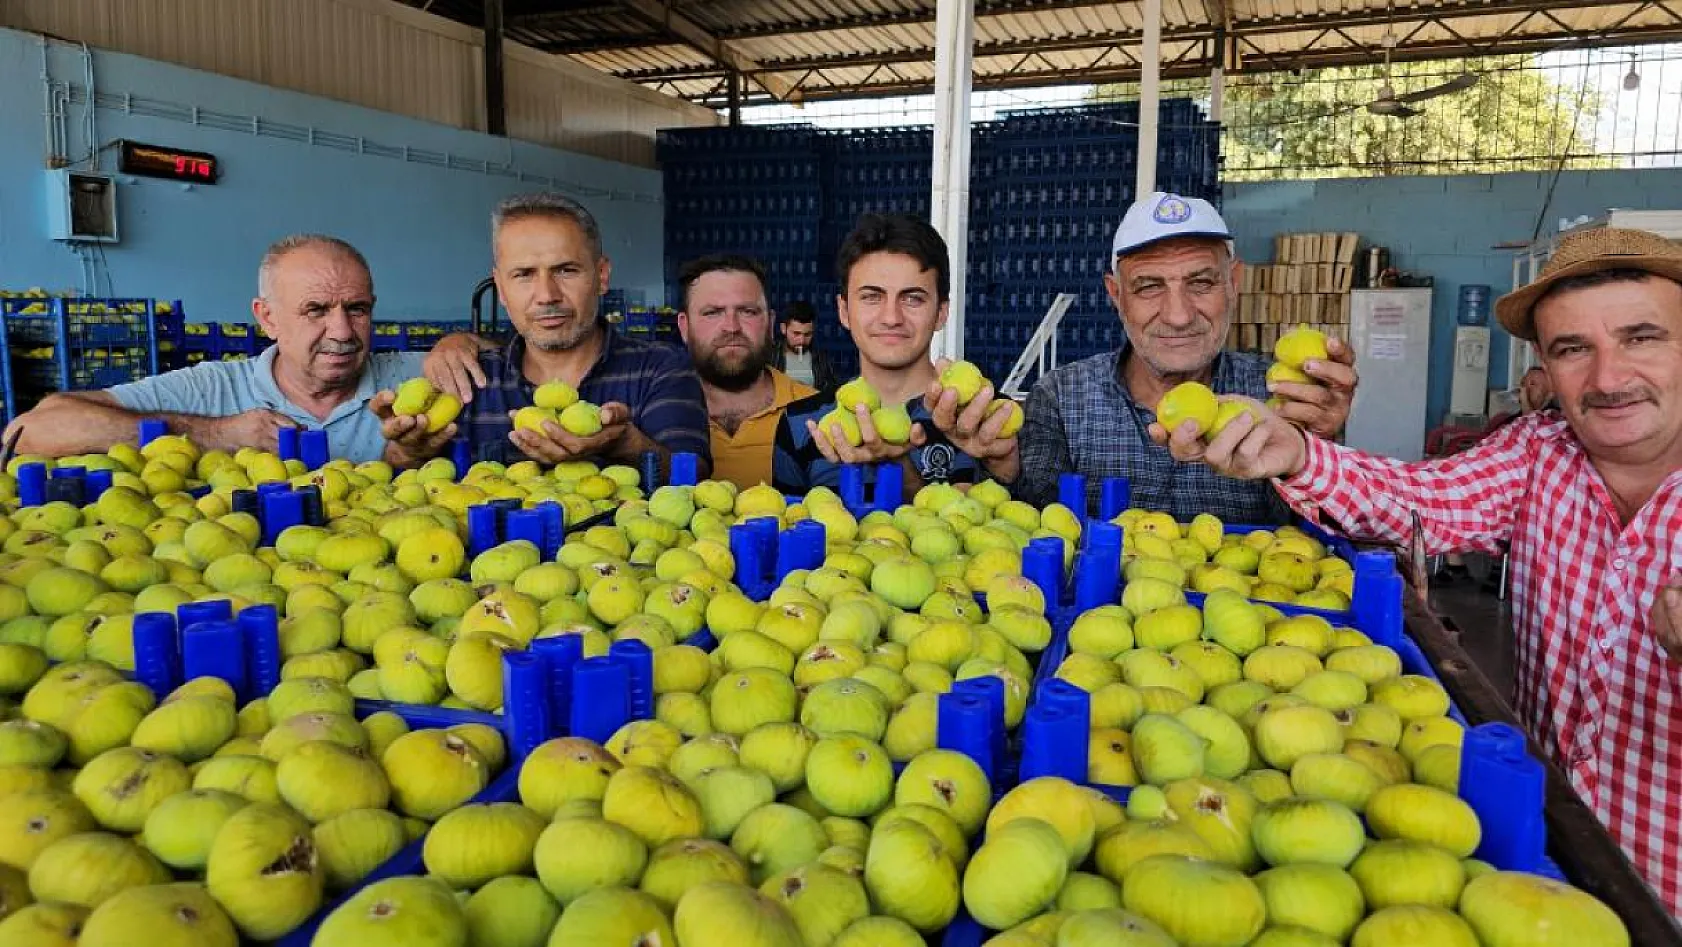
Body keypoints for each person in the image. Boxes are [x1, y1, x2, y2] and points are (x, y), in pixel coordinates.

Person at [1154, 226, 1682, 916]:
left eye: (1642, 337)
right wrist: (1297, 453)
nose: (1608, 378)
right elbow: (1421, 501)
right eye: (1573, 348)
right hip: (1538, 856)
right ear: (1544, 370)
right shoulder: (1541, 451)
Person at [1011, 191, 1357, 523]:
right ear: (1116, 295)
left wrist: (1315, 452)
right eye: (1149, 287)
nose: (1179, 316)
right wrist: (1000, 464)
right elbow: (1025, 527)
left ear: (1233, 283)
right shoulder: (1061, 397)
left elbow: (1324, 537)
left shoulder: (1279, 394)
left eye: (1201, 283)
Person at [4, 235, 446, 466]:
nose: (342, 330)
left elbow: (506, 357)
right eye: (315, 310)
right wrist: (213, 435)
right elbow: (31, 432)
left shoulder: (414, 378)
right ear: (267, 318)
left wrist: (459, 343)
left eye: (357, 309)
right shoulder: (212, 390)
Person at [421, 193, 711, 475]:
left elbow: (694, 473)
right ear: (501, 288)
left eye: (566, 270)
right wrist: (406, 452)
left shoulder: (660, 368)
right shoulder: (469, 381)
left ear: (602, 275)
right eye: (524, 274)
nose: (547, 295)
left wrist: (627, 445)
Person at [772, 213, 1020, 494]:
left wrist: (1006, 474)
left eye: (913, 298)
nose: (891, 317)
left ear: (941, 313)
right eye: (871, 296)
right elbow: (786, 531)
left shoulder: (988, 417)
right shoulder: (799, 424)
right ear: (843, 311)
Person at [673, 253, 816, 490]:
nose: (731, 327)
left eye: (748, 311)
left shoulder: (815, 412)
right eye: (712, 312)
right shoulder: (658, 413)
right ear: (684, 326)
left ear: (770, 325)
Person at [772, 301, 839, 393]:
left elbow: (832, 391)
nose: (802, 341)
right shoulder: (771, 355)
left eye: (807, 334)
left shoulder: (821, 358)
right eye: (796, 333)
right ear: (783, 328)